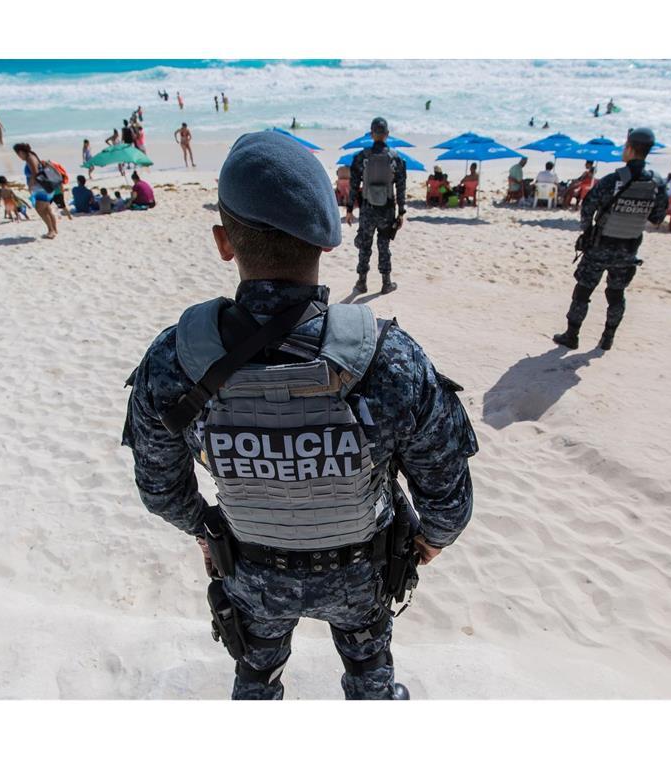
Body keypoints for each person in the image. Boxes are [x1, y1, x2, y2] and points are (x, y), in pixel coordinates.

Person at [122, 129, 477, 701]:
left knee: (256, 679)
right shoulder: (389, 357)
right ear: (331, 240)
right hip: (362, 575)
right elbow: (448, 496)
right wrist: (430, 539)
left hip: (252, 574)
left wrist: (206, 530)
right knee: (370, 677)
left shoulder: (175, 359)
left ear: (223, 242)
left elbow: (160, 488)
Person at [552, 127, 668, 352]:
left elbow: (588, 207)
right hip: (629, 248)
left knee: (583, 292)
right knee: (615, 294)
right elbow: (657, 217)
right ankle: (607, 338)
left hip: (600, 247)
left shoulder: (613, 180)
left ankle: (572, 335)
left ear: (630, 148)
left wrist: (587, 232)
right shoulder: (657, 183)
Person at [346, 117, 407, 294]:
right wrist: (401, 212)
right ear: (387, 135)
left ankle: (361, 282)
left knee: (365, 245)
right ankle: (386, 283)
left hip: (367, 208)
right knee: (384, 246)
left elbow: (353, 186)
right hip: (387, 209)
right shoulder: (396, 159)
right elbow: (401, 187)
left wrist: (349, 209)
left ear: (372, 134)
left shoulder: (361, 157)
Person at [13, 142, 59, 239]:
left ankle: (51, 230)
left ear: (21, 152)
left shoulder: (29, 158)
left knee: (40, 209)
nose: (18, 157)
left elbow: (35, 173)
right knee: (47, 209)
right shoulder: (32, 155)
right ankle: (54, 229)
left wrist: (30, 185)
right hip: (45, 187)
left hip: (41, 188)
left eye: (17, 154)